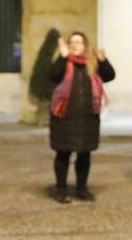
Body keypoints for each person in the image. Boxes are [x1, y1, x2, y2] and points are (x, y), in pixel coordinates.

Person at [48, 32, 116, 201]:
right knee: (63, 154)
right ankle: (61, 190)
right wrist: (63, 58)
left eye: (79, 42)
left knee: (84, 155)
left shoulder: (91, 63)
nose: (75, 45)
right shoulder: (63, 61)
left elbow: (109, 75)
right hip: (64, 117)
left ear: (85, 45)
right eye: (72, 42)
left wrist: (103, 60)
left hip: (87, 118)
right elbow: (52, 76)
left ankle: (81, 189)